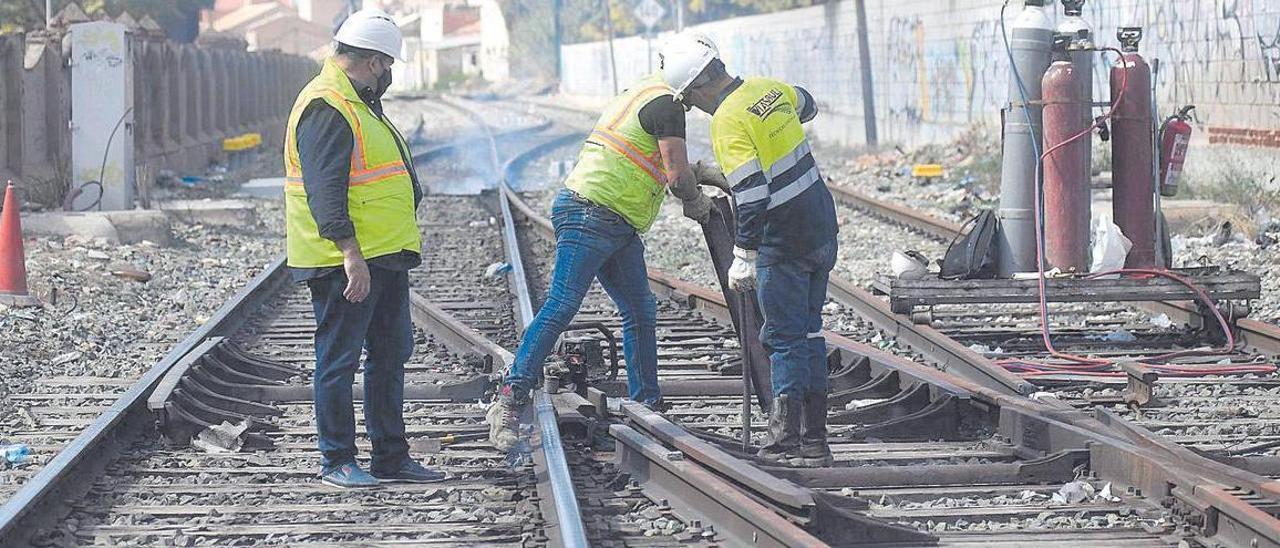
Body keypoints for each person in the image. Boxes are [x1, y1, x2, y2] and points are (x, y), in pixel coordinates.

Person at [487, 73, 714, 451]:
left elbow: (648, 156)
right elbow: (676, 178)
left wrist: (699, 171)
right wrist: (694, 197)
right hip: (592, 213)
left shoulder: (640, 93)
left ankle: (647, 405)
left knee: (640, 310)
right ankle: (509, 400)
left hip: (614, 218)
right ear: (691, 79)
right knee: (562, 305)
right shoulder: (669, 105)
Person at [660, 31, 838, 467]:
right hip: (820, 224)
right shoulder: (766, 88)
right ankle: (816, 442)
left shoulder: (726, 119)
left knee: (783, 338)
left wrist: (745, 253)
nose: (693, 109)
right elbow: (807, 103)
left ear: (698, 88)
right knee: (811, 332)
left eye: (687, 101)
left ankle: (783, 443)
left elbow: (753, 193)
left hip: (784, 238)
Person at [284, 8, 445, 488]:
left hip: (385, 255)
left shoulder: (357, 101)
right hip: (346, 262)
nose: (390, 77)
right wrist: (350, 255)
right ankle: (337, 460)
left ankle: (391, 458)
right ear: (375, 62)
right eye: (388, 66)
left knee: (390, 354)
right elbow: (324, 191)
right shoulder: (326, 106)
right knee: (338, 360)